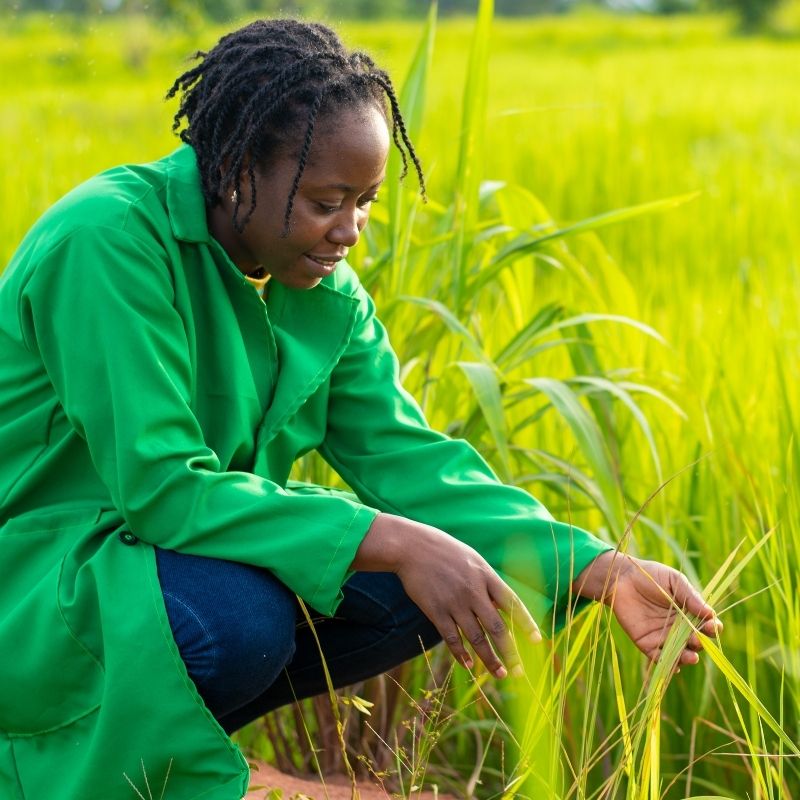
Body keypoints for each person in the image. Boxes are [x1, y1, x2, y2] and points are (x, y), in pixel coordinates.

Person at [0, 18, 722, 800]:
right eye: (325, 201)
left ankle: (199, 763)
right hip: (38, 581)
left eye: (367, 202)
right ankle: (227, 780)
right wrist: (391, 538)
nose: (350, 231)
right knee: (246, 617)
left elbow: (414, 464)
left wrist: (596, 566)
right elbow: (164, 488)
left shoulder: (318, 291)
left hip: (151, 565)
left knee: (460, 574)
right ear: (238, 169)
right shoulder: (108, 239)